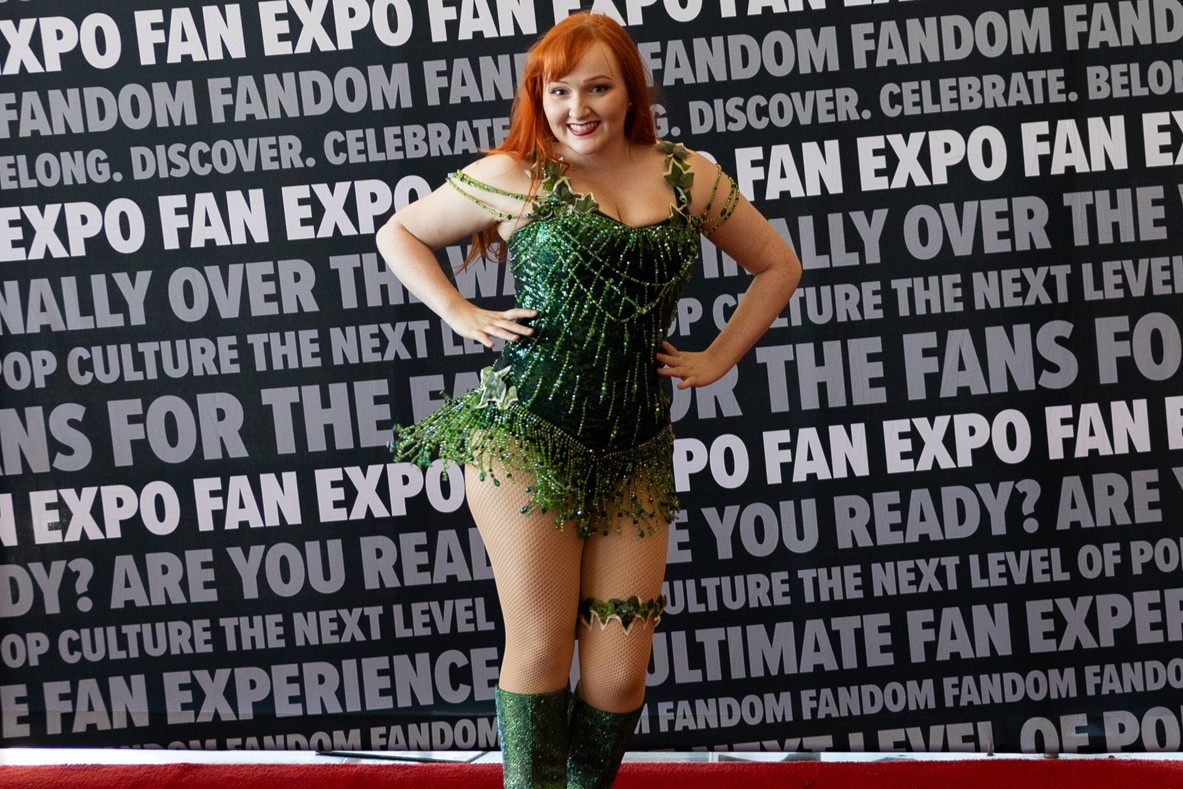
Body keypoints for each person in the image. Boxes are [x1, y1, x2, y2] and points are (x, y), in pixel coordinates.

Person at [376, 12, 800, 788]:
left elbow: (777, 263)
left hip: (636, 444)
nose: (578, 107)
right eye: (558, 90)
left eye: (597, 87)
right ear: (537, 98)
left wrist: (715, 357)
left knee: (617, 677)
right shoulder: (516, 175)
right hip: (523, 436)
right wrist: (460, 313)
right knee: (539, 644)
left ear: (629, 92)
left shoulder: (686, 173)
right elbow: (399, 233)